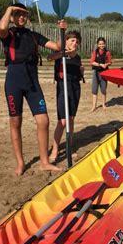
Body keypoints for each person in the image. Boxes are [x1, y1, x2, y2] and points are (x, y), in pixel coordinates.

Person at [0, 3, 64, 176]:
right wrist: (9, 9)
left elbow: (57, 47)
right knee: (15, 122)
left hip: (32, 83)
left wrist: (62, 31)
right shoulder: (9, 34)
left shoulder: (34, 35)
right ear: (12, 16)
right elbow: (2, 27)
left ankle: (44, 162)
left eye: (24, 15)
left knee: (43, 121)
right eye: (17, 14)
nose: (21, 17)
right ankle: (20, 163)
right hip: (14, 81)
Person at [47, 30, 84, 163]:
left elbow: (79, 74)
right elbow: (49, 58)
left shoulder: (78, 57)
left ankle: (70, 147)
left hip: (75, 88)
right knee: (62, 121)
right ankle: (55, 150)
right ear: (66, 41)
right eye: (72, 40)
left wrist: (81, 71)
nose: (75, 43)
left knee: (71, 119)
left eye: (77, 41)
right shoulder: (61, 55)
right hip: (63, 87)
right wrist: (64, 53)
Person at [90, 37, 112, 111]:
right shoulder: (94, 52)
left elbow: (110, 62)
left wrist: (106, 64)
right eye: (100, 44)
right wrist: (100, 64)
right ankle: (94, 106)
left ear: (105, 44)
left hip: (104, 73)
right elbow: (92, 62)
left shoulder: (108, 52)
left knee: (103, 89)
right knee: (94, 89)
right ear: (97, 44)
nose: (101, 45)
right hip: (96, 72)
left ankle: (103, 104)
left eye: (102, 44)